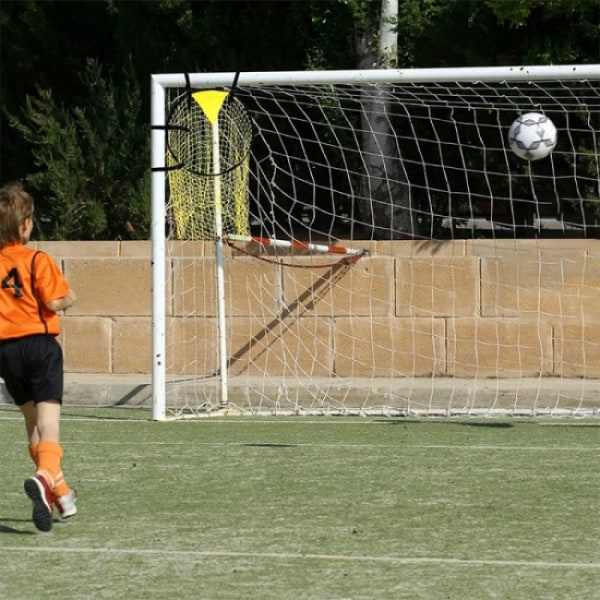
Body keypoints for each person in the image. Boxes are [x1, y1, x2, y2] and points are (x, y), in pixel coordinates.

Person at [0, 181, 77, 532]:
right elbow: (54, 300)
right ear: (25, 224)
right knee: (49, 424)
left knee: (32, 424)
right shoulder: (37, 259)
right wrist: (69, 299)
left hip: (6, 352)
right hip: (40, 347)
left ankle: (60, 492)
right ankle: (45, 476)